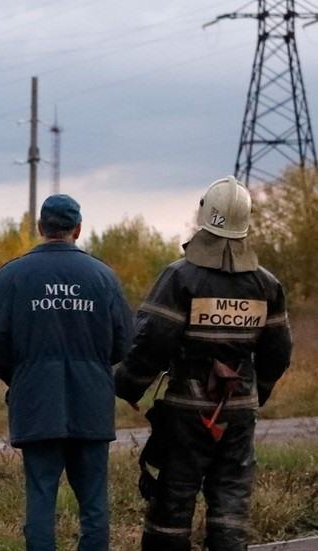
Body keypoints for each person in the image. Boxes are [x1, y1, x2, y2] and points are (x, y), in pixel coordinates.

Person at [115, 176, 293, 551]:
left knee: (174, 501)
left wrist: (129, 384)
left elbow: (152, 339)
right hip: (239, 413)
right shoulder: (266, 285)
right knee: (230, 502)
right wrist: (254, 391)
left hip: (187, 412)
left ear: (204, 216)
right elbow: (279, 352)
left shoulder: (180, 277)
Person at [0, 194, 133, 551]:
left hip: (36, 403)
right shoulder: (103, 277)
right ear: (78, 229)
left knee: (41, 499)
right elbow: (124, 340)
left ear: (40, 228)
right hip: (91, 403)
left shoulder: (13, 275)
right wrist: (92, 368)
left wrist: (22, 376)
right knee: (94, 505)